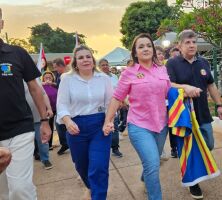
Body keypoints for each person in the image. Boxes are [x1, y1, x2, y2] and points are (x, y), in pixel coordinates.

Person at [103, 33, 171, 200]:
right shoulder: (129, 73)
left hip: (162, 125)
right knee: (153, 164)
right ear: (135, 52)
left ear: (153, 49)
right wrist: (108, 121)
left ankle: (145, 177)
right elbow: (117, 98)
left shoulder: (162, 69)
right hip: (139, 125)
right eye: (141, 46)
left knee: (152, 163)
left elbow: (170, 90)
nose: (146, 49)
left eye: (148, 45)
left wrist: (186, 89)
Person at [166, 29, 222, 200]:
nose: (192, 45)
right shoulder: (172, 63)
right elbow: (168, 85)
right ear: (180, 45)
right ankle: (193, 183)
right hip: (184, 115)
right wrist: (185, 88)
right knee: (188, 149)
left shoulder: (203, 62)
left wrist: (219, 105)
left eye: (194, 42)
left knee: (209, 144)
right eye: (187, 42)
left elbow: (211, 85)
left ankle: (199, 169)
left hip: (203, 113)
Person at [0, 8, 51, 200]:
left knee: (20, 189)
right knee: (3, 192)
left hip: (20, 131)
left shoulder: (17, 53)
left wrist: (44, 121)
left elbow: (35, 89)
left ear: (1, 24)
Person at [56, 45, 113, 200]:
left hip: (99, 126)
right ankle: (91, 187)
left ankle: (98, 196)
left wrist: (109, 121)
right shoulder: (67, 79)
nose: (85, 60)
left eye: (88, 56)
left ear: (93, 60)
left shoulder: (104, 79)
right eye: (81, 57)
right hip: (76, 127)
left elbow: (110, 104)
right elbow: (61, 104)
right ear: (75, 62)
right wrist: (67, 122)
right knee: (81, 165)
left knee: (99, 166)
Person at [25, 82, 54, 170]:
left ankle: (45, 159)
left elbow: (44, 94)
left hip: (39, 117)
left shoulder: (35, 79)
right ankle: (26, 163)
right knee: (25, 143)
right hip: (24, 119)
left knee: (43, 140)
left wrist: (49, 108)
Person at [99, 58, 123, 158]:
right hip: (101, 108)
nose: (105, 66)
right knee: (103, 129)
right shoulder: (97, 77)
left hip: (114, 106)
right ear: (99, 67)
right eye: (103, 65)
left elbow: (119, 89)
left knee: (115, 128)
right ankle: (103, 149)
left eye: (106, 64)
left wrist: (120, 101)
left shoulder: (114, 76)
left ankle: (115, 148)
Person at [52, 58, 69, 155]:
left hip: (67, 104)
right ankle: (65, 143)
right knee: (59, 124)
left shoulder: (68, 75)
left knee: (60, 124)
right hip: (61, 103)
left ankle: (66, 143)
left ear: (61, 65)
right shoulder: (59, 75)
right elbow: (59, 86)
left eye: (55, 67)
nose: (55, 69)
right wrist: (52, 84)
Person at [42, 71, 58, 150]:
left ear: (52, 78)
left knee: (55, 125)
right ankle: (47, 144)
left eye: (49, 77)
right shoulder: (42, 86)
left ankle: (50, 144)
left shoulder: (55, 85)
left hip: (56, 108)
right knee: (48, 126)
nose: (48, 79)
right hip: (47, 110)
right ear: (43, 78)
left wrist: (52, 83)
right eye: (46, 77)